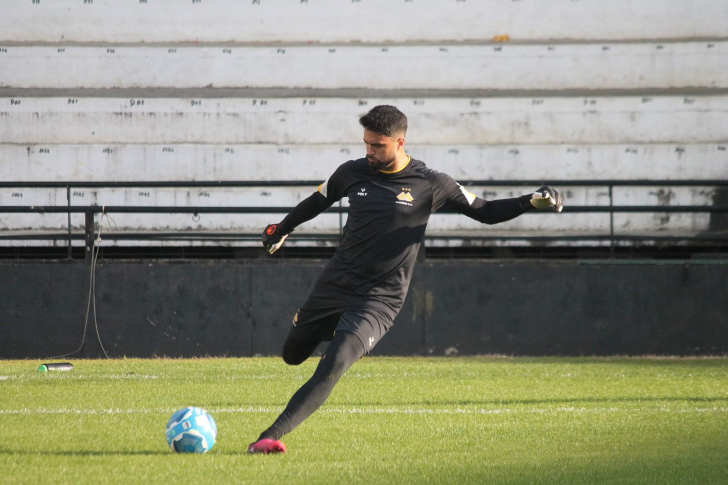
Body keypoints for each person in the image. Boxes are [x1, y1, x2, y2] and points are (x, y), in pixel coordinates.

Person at [248, 105, 563, 454]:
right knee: (292, 356)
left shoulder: (431, 183)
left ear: (400, 142)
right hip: (335, 284)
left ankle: (269, 436)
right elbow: (317, 200)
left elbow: (486, 211)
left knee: (334, 363)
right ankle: (313, 323)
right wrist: (282, 229)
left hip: (380, 300)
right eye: (366, 143)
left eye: (378, 146)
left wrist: (530, 202)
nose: (369, 151)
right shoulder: (352, 172)